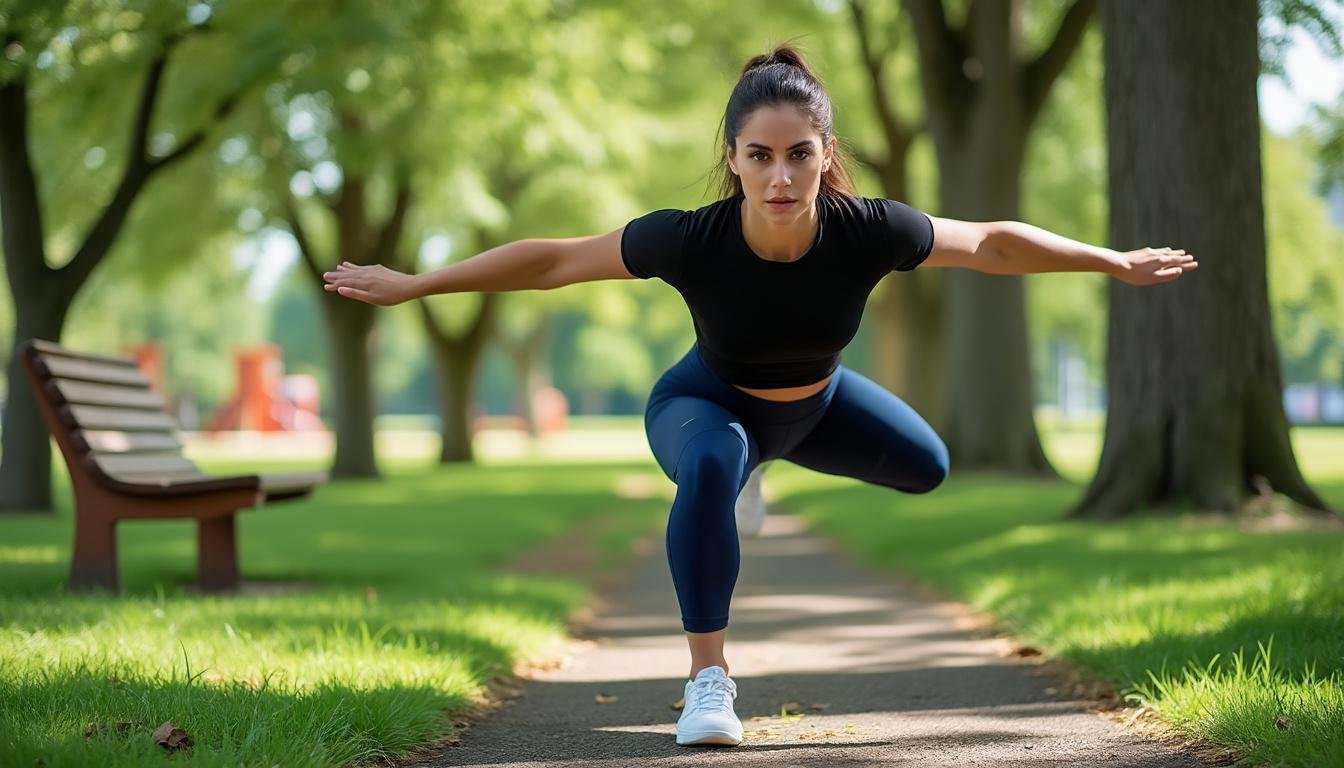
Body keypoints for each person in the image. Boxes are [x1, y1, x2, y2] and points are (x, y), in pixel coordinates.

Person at [322, 43, 1198, 749]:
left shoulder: (870, 231)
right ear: (734, 161)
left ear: (825, 157)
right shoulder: (691, 239)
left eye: (799, 155)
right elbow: (553, 260)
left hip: (813, 405)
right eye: (760, 156)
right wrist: (416, 283)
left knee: (928, 468)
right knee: (715, 458)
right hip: (703, 402)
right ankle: (709, 680)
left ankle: (754, 468)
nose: (781, 177)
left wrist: (1112, 262)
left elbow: (994, 244)